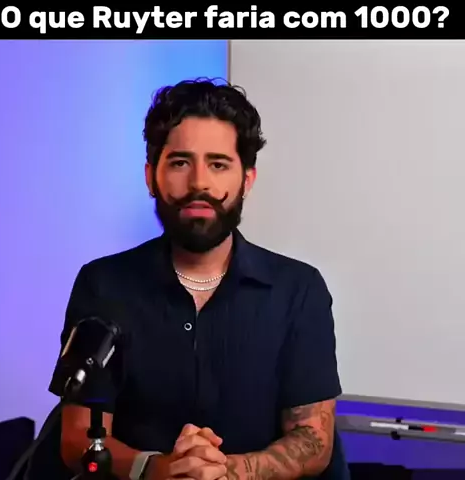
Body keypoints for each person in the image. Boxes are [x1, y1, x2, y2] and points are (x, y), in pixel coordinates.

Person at [48, 78, 345, 480]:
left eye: (218, 164)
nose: (199, 183)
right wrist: (156, 469)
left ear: (247, 180)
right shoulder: (103, 284)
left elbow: (314, 440)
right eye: (180, 163)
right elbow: (77, 439)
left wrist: (229, 472)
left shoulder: (299, 290)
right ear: (151, 177)